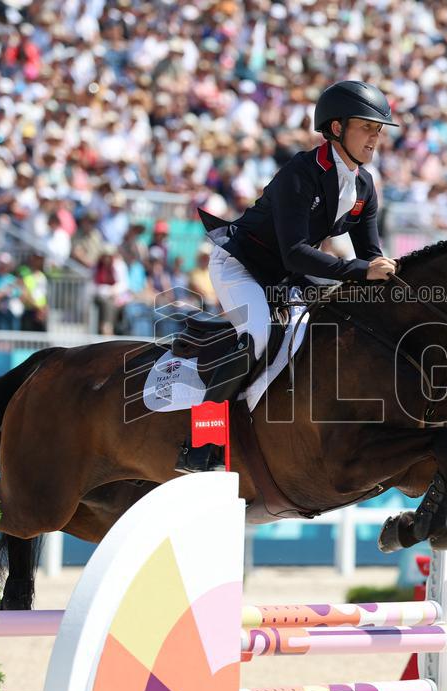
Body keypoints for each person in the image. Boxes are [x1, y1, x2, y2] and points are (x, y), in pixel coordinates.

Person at [176, 80, 399, 474]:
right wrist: (360, 272)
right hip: (241, 265)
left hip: (285, 276)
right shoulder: (301, 172)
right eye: (367, 127)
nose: (375, 138)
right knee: (260, 334)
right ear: (336, 128)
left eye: (378, 131)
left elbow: (370, 255)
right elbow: (297, 252)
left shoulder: (364, 185)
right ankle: (201, 442)